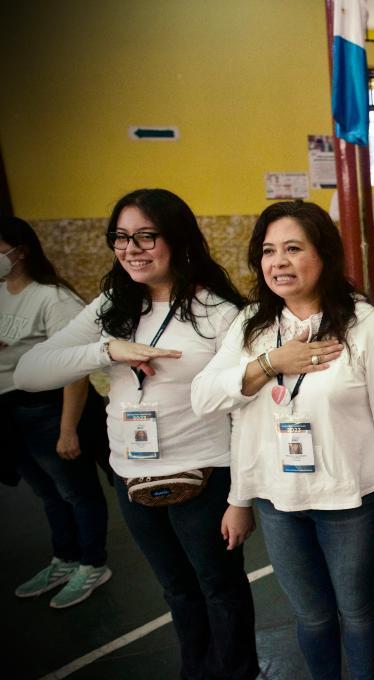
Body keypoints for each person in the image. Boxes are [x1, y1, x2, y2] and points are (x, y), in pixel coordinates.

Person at [15, 189, 259, 679]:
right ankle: (195, 671)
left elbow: (244, 410)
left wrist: (241, 497)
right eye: (121, 237)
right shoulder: (113, 305)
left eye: (146, 236)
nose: (131, 248)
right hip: (131, 475)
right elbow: (29, 372)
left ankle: (235, 672)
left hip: (205, 475)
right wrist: (108, 351)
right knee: (177, 590)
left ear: (179, 240)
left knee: (219, 588)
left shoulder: (219, 312)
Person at [191, 200, 374, 680]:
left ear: (324, 254)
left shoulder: (364, 325)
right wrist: (269, 363)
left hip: (350, 499)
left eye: (293, 248)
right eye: (269, 251)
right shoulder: (252, 325)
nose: (279, 262)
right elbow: (209, 401)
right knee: (311, 615)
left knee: (356, 611)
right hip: (279, 501)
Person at [1, 217, 110, 608]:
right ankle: (65, 558)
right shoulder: (1, 292)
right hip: (11, 412)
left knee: (77, 492)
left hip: (49, 410)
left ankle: (93, 563)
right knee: (47, 492)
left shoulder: (54, 298)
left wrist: (67, 429)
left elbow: (74, 369)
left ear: (20, 251)